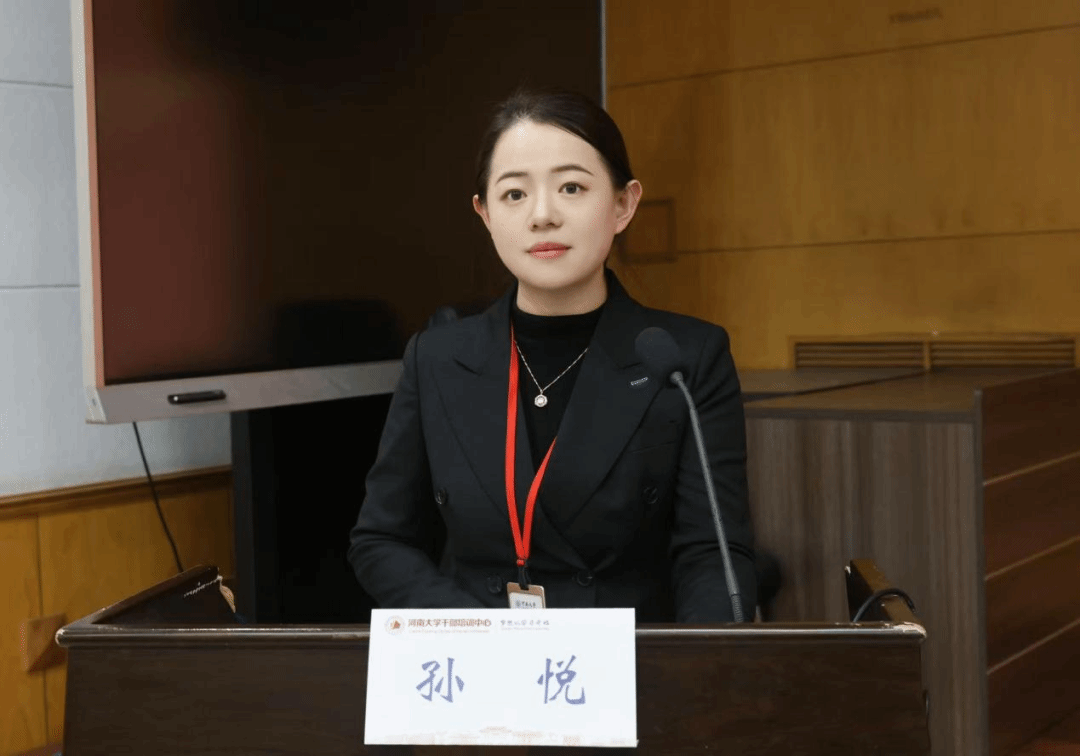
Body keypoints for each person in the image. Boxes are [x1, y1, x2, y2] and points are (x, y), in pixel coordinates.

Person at [347, 87, 755, 622]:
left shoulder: (685, 358)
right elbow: (381, 540)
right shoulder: (436, 359)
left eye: (571, 187)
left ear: (623, 204)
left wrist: (690, 664)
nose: (542, 215)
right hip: (476, 658)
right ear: (485, 213)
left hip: (628, 661)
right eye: (515, 194)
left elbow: (713, 554)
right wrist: (475, 633)